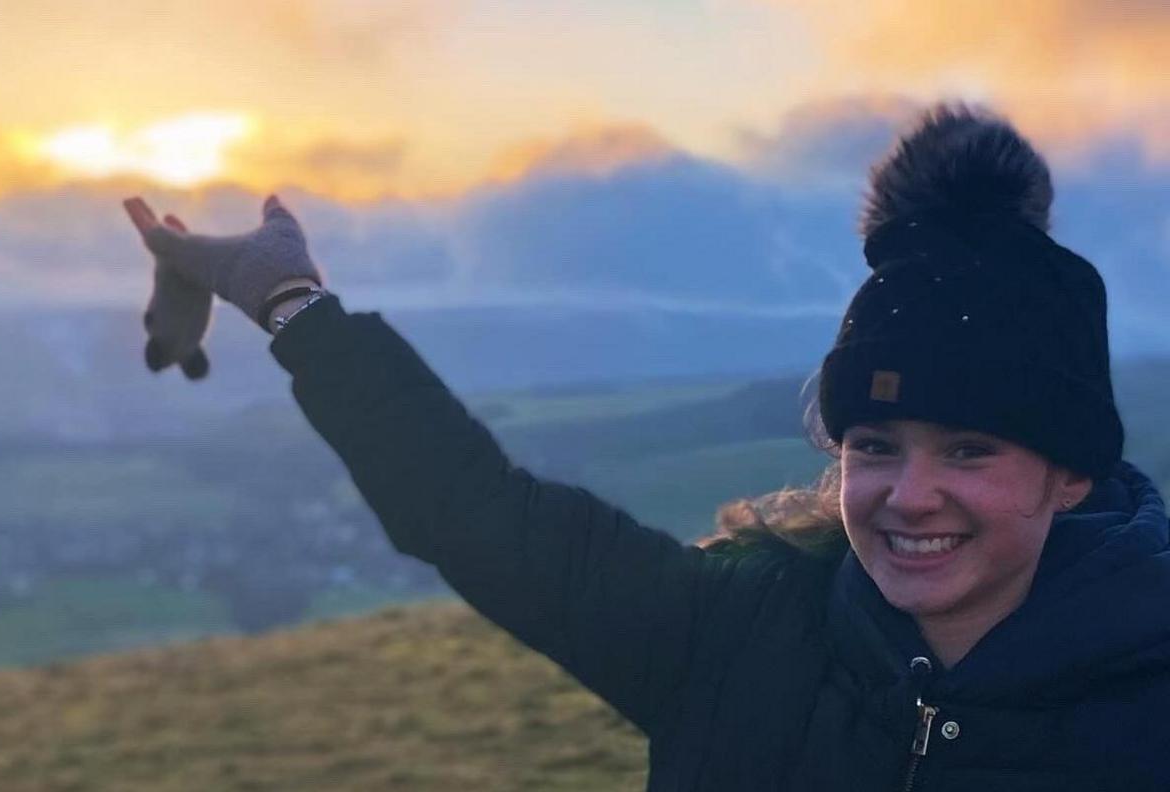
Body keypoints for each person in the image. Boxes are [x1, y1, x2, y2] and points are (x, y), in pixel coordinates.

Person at [122, 103, 1170, 791]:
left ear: (1069, 469)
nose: (909, 495)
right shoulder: (733, 632)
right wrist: (292, 305)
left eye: (971, 450)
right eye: (875, 444)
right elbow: (481, 517)